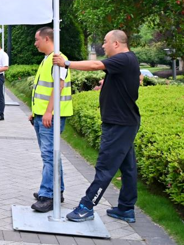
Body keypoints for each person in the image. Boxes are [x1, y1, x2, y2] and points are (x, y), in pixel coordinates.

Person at [54, 30, 141, 224]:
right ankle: (126, 209)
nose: (103, 45)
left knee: (105, 167)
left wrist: (66, 63)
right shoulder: (127, 60)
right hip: (124, 122)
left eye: (105, 42)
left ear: (116, 44)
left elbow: (94, 64)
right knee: (128, 168)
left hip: (119, 124)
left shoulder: (124, 59)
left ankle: (87, 206)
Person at [29, 27, 72, 213]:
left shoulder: (57, 59)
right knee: (51, 155)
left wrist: (48, 112)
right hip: (41, 115)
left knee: (49, 156)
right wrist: (35, 112)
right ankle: (57, 190)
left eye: (37, 39)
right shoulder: (47, 59)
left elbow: (58, 87)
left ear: (47, 39)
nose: (35, 43)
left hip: (50, 117)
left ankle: (47, 195)